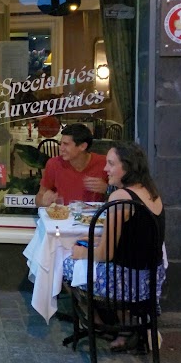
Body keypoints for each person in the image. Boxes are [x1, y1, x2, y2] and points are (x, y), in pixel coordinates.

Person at [62, 141, 166, 351]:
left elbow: (104, 255)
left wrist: (80, 251)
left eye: (111, 164)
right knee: (83, 251)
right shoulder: (150, 192)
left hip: (125, 282)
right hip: (149, 279)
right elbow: (132, 239)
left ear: (126, 167)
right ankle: (126, 327)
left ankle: (97, 321)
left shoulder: (120, 198)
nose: (105, 168)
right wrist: (92, 239)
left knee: (64, 263)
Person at [35, 123, 108, 207]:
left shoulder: (105, 163)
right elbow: (39, 198)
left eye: (66, 144)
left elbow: (123, 197)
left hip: (94, 218)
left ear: (82, 146)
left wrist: (107, 189)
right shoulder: (54, 164)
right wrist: (43, 201)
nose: (61, 148)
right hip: (63, 217)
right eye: (60, 144)